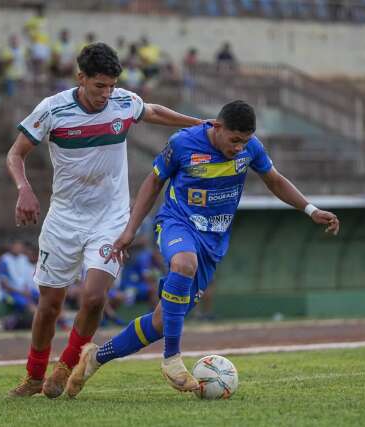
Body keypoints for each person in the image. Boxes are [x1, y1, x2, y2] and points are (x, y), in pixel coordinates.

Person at [65, 100, 340, 397]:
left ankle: (95, 357)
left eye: (244, 141)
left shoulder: (251, 148)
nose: (238, 147)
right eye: (234, 140)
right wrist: (130, 229)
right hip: (177, 223)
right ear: (217, 127)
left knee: (161, 321)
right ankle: (172, 360)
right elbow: (153, 182)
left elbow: (274, 180)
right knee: (183, 264)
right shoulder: (183, 143)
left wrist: (311, 210)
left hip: (213, 241)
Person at [6, 42, 205, 399]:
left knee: (95, 297)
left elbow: (154, 111)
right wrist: (24, 189)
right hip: (64, 218)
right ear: (80, 78)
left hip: (111, 218)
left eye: (112, 85)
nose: (107, 93)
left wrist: (201, 125)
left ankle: (67, 366)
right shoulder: (52, 110)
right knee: (50, 305)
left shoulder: (123, 102)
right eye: (100, 85)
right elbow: (15, 153)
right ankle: (34, 375)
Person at [0, 240, 39, 323]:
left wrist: (27, 289)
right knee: (30, 307)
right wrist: (21, 292)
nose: (19, 249)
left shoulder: (23, 259)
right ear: (11, 247)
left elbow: (26, 279)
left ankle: (61, 323)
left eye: (20, 247)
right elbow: (4, 284)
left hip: (25, 291)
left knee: (45, 298)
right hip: (10, 293)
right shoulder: (4, 260)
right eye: (16, 247)